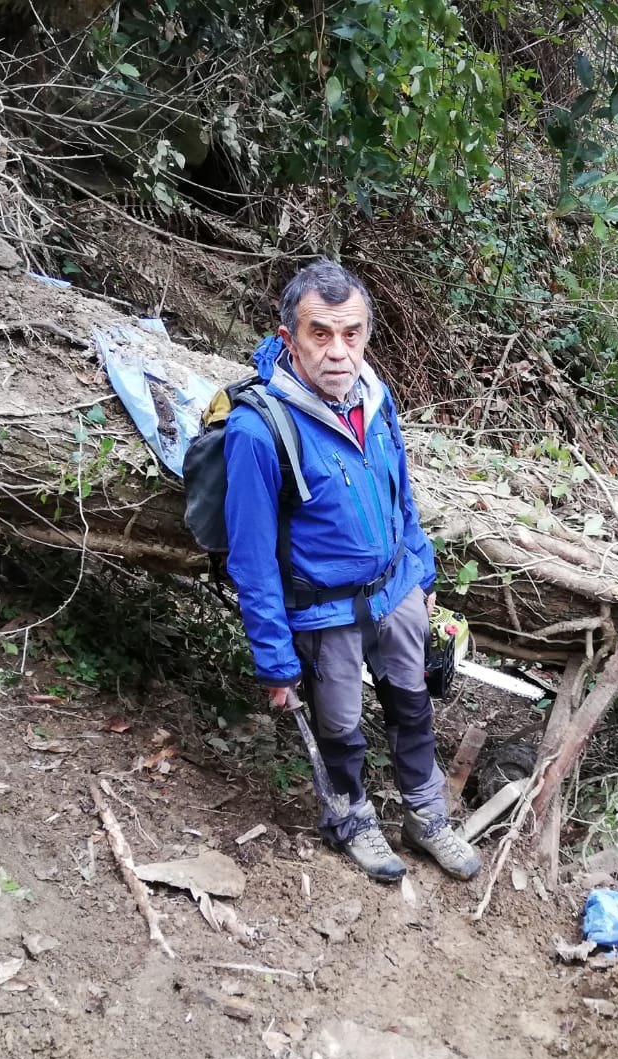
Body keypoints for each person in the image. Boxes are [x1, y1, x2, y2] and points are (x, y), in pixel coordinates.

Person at [222, 261, 482, 883]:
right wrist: (276, 662)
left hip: (396, 593)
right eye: (321, 334)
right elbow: (251, 559)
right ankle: (353, 819)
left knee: (413, 706)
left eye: (353, 334)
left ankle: (425, 817)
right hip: (323, 610)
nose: (339, 352)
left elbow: (400, 494)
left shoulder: (374, 394)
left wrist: (421, 572)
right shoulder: (260, 430)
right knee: (339, 725)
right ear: (289, 337)